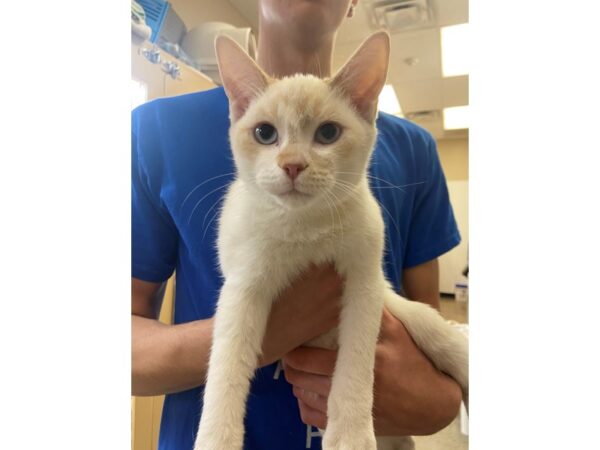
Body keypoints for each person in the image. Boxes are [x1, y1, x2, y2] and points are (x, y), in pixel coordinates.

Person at [132, 1, 463, 449]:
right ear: (239, 107)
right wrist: (276, 330)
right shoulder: (155, 131)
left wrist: (439, 401)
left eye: (326, 133)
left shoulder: (413, 152)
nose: (290, 163)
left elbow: (405, 310)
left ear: (365, 107)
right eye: (266, 134)